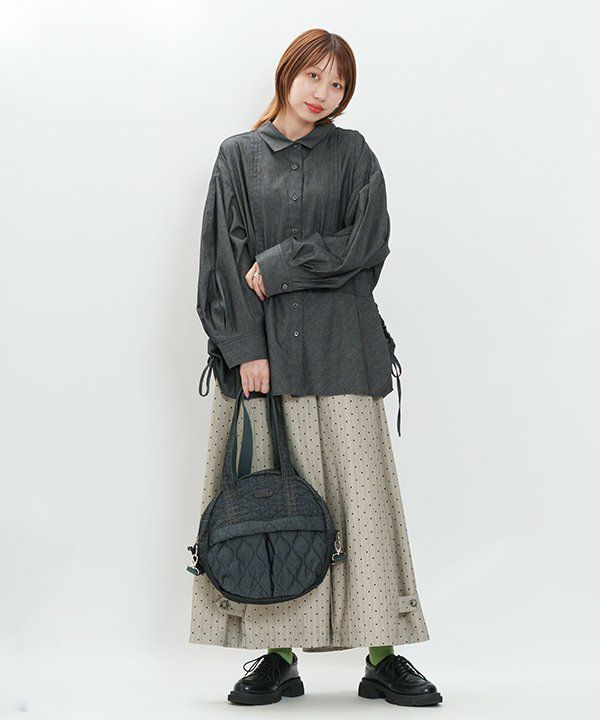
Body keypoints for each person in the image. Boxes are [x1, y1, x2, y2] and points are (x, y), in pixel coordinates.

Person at [189, 28, 443, 707]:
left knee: (364, 512)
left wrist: (281, 265)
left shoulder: (353, 154)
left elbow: (367, 243)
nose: (324, 94)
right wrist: (245, 350)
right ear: (287, 74)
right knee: (271, 511)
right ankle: (278, 658)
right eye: (314, 77)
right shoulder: (238, 156)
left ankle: (382, 657)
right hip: (266, 364)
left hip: (341, 354)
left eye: (338, 85)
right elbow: (221, 262)